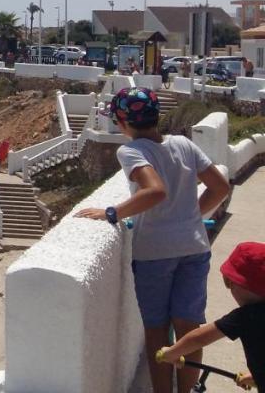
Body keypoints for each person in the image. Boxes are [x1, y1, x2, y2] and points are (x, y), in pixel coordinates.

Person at [75, 87, 231, 393]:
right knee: (189, 329)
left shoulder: (132, 150)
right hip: (194, 248)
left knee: (157, 331)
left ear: (122, 121)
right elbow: (220, 187)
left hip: (155, 253)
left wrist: (111, 213)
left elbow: (155, 191)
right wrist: (192, 216)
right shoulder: (183, 144)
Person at [158, 241, 265, 390]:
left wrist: (171, 352)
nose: (231, 290)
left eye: (231, 284)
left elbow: (199, 338)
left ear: (242, 285)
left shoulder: (246, 317)